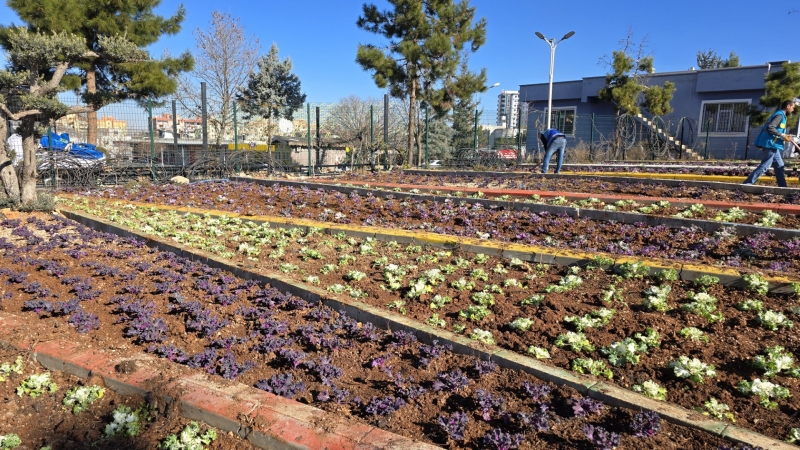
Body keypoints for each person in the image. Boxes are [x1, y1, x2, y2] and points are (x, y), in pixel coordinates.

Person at [743, 99, 796, 187]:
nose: (793, 110)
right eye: (792, 108)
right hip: (770, 144)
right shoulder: (780, 115)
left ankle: (783, 187)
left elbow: (776, 129)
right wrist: (781, 135)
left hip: (773, 145)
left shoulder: (781, 115)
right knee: (765, 166)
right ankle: (747, 184)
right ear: (788, 106)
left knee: (780, 166)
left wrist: (784, 136)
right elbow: (770, 127)